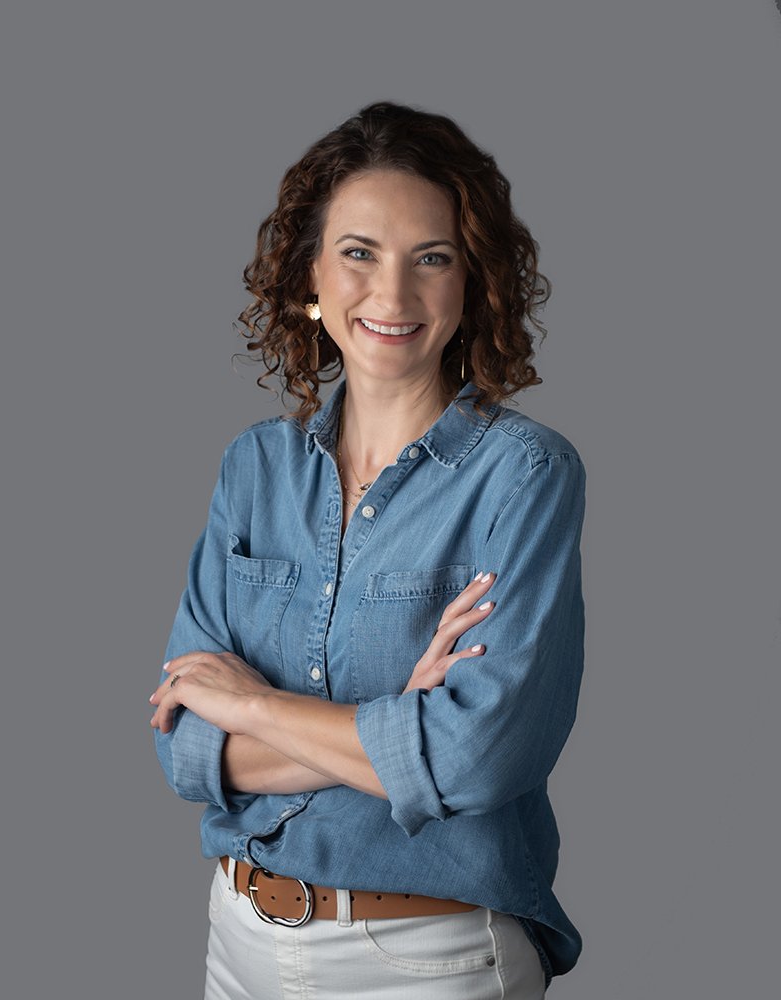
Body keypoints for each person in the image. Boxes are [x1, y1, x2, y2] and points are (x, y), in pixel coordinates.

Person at [150, 101, 585, 999]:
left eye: (432, 258)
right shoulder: (252, 468)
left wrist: (253, 706)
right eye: (359, 254)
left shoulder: (526, 475)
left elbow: (479, 759)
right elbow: (186, 750)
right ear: (309, 271)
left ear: (474, 283)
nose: (392, 297)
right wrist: (399, 718)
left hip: (430, 958)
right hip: (237, 941)